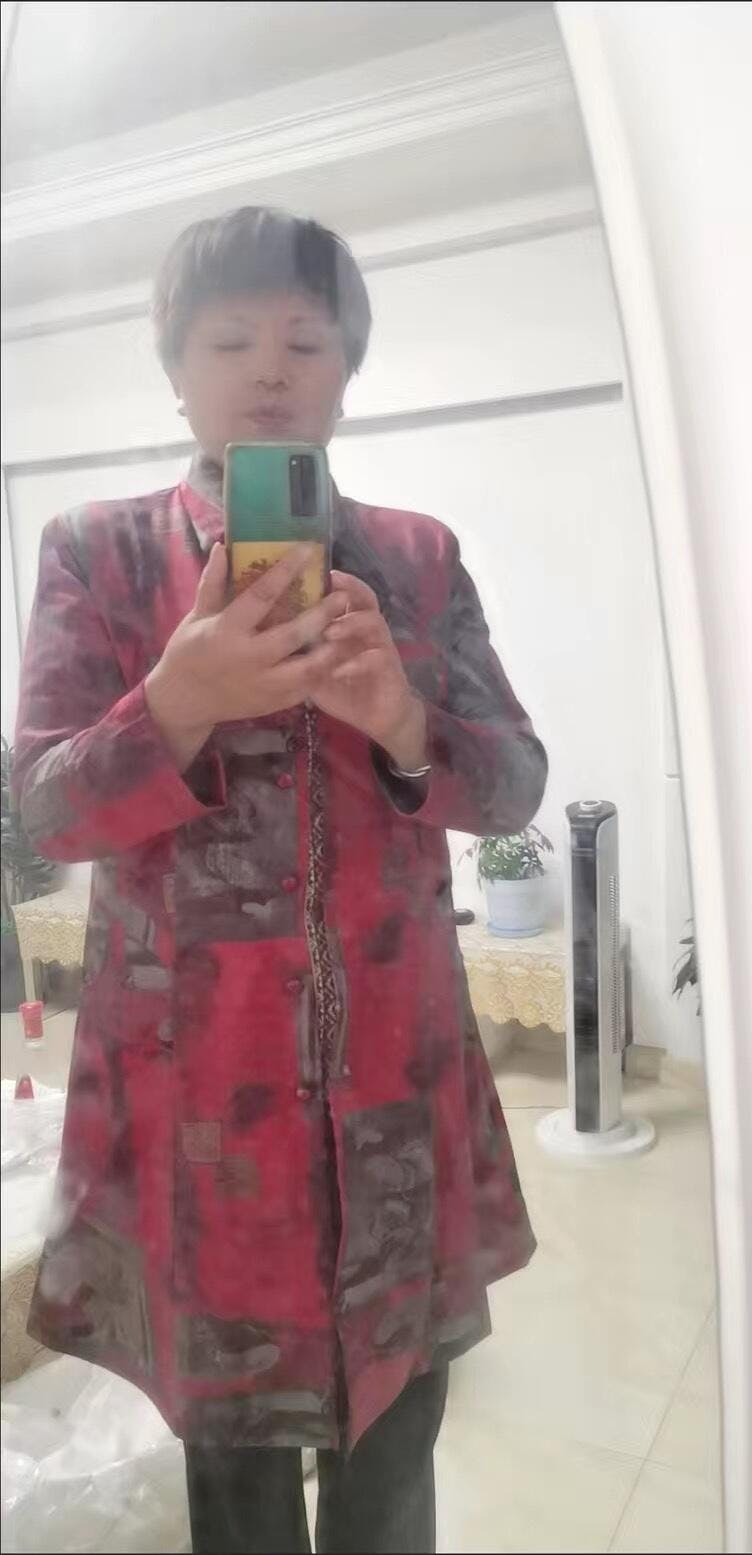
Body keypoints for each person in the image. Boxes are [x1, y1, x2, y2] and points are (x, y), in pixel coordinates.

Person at [14, 207, 548, 1555]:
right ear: (175, 368)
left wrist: (407, 725)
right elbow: (40, 814)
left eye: (305, 341)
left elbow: (516, 785)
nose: (268, 368)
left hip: (395, 1096)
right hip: (201, 1107)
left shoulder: (417, 560)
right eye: (229, 340)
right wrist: (173, 703)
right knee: (240, 1485)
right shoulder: (98, 553)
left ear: (346, 371)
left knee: (397, 1455)